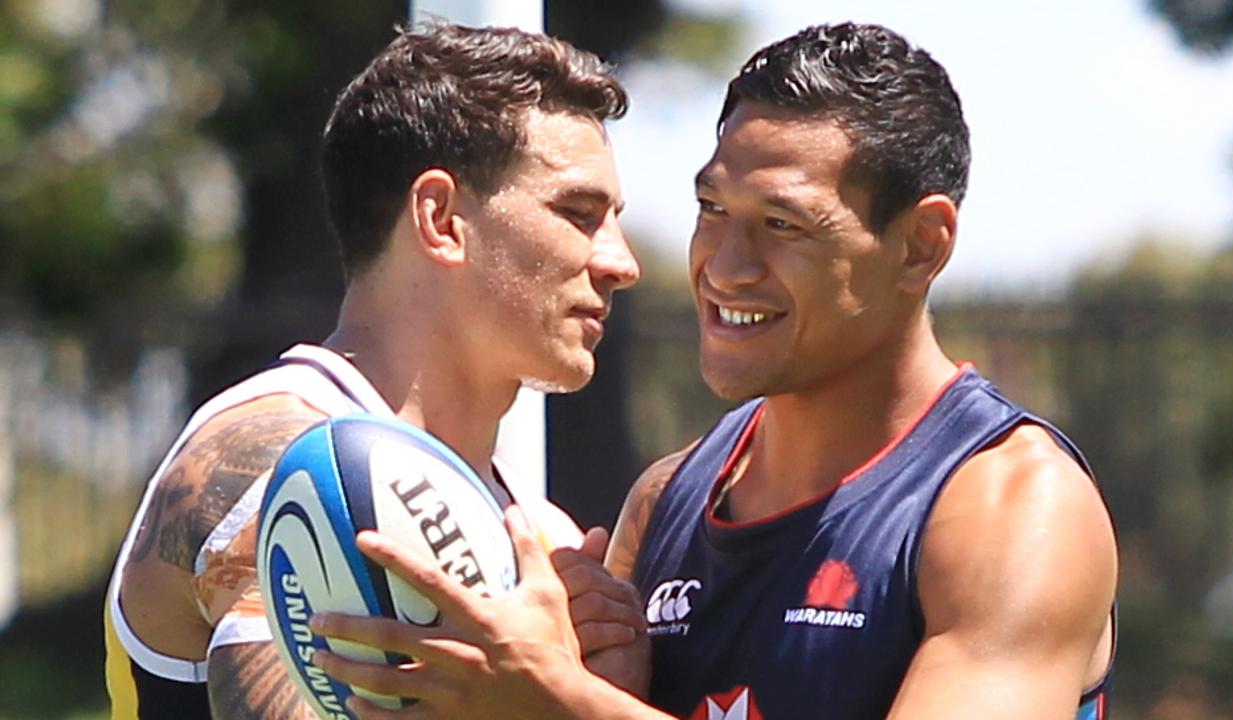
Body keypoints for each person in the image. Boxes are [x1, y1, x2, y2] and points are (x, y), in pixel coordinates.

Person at [311, 21, 1118, 720]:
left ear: (921, 245)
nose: (726, 267)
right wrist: (608, 679)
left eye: (781, 225)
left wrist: (563, 700)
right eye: (712, 211)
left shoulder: (1012, 510)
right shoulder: (666, 504)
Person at [103, 19, 647, 719]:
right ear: (440, 218)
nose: (620, 262)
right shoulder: (280, 466)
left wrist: (606, 689)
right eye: (578, 213)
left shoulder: (546, 542)